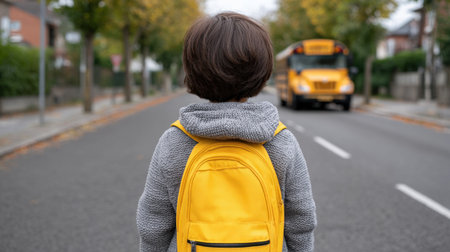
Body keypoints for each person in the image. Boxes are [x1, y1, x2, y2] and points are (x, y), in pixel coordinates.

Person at [136, 12, 316, 252]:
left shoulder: (175, 140)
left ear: (192, 70)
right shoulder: (280, 140)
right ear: (262, 72)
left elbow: (153, 222)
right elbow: (301, 220)